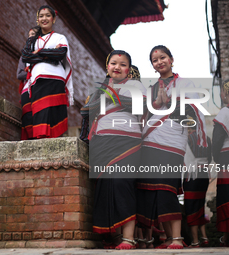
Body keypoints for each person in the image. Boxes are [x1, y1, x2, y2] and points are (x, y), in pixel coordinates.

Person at [136, 45, 207, 249]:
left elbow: (193, 114)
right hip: (150, 142)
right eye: (155, 60)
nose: (159, 62)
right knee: (152, 189)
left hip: (173, 142)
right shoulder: (150, 90)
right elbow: (143, 117)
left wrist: (170, 105)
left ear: (171, 59)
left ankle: (177, 238)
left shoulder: (185, 84)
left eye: (163, 57)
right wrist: (157, 104)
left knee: (167, 187)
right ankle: (167, 237)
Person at [81, 50, 146, 250]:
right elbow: (85, 111)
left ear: (128, 69)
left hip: (127, 141)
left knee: (122, 183)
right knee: (105, 188)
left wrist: (109, 95)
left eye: (123, 64)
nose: (117, 67)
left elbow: (137, 106)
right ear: (107, 66)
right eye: (113, 63)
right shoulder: (100, 88)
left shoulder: (135, 85)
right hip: (102, 141)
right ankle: (115, 237)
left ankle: (128, 238)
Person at [22, 5, 73, 139]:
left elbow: (61, 53)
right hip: (38, 80)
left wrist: (39, 52)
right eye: (41, 16)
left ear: (54, 19)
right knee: (40, 109)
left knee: (54, 111)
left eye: (47, 15)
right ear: (37, 20)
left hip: (56, 79)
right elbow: (26, 56)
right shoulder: (32, 40)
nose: (44, 18)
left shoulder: (60, 37)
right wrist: (50, 54)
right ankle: (41, 140)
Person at [212, 78, 229, 247]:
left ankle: (228, 237)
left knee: (228, 195)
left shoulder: (225, 113)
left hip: (228, 158)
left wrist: (216, 157)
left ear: (225, 93)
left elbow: (217, 141)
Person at [183, 123, 212, 248]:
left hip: (192, 175)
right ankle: (204, 237)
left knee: (191, 207)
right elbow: (210, 158)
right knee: (200, 205)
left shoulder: (188, 139)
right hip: (204, 173)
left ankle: (195, 241)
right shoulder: (207, 138)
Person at [17, 26, 39, 140]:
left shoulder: (44, 53)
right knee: (27, 115)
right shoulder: (24, 56)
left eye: (34, 34)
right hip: (27, 88)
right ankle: (31, 140)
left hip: (40, 87)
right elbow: (19, 74)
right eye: (29, 34)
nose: (31, 37)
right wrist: (31, 74)